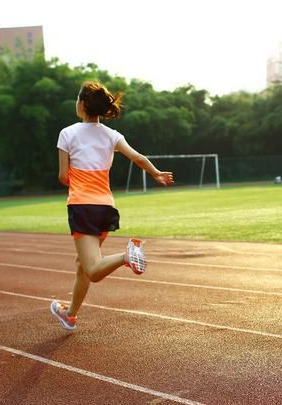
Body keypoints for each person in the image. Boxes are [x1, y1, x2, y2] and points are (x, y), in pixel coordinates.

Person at [51, 81, 174, 331]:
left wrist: (78, 176)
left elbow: (63, 177)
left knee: (93, 270)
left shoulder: (67, 133)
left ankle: (126, 256)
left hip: (82, 205)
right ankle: (70, 315)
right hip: (105, 206)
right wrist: (156, 173)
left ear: (82, 105)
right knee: (82, 265)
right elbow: (137, 157)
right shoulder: (112, 135)